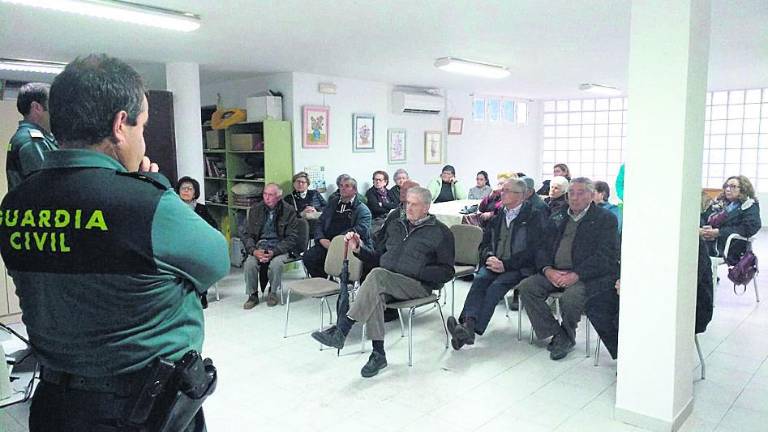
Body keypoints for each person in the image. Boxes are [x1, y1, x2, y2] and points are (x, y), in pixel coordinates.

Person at [0, 54, 229, 432]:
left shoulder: (14, 205)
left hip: (55, 404)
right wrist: (157, 190)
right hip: (140, 408)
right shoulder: (148, 205)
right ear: (120, 125)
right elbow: (216, 261)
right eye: (143, 127)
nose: (143, 140)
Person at [311, 187, 455, 377]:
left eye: (414, 204)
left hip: (418, 286)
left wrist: (417, 270)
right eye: (407, 203)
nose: (408, 208)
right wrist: (359, 249)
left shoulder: (440, 233)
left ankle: (343, 328)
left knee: (377, 277)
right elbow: (378, 257)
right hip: (387, 281)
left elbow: (447, 272)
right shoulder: (396, 225)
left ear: (427, 207)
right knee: (375, 291)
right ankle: (378, 354)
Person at [517, 178, 618, 361]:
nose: (575, 197)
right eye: (571, 193)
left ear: (591, 195)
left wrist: (576, 274)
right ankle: (559, 334)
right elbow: (541, 247)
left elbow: (605, 256)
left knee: (571, 298)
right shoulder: (558, 215)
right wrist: (548, 269)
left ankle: (567, 336)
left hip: (585, 276)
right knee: (527, 287)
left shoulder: (605, 219)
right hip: (554, 272)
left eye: (580, 193)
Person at [447, 179, 544, 350]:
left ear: (520, 195)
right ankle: (467, 326)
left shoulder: (534, 216)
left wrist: (506, 265)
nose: (502, 193)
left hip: (520, 267)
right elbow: (484, 244)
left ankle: (469, 330)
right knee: (480, 279)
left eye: (507, 190)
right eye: (503, 190)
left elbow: (535, 250)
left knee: (495, 287)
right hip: (495, 263)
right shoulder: (498, 215)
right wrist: (489, 256)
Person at [243, 183, 300, 308]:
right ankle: (252, 295)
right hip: (260, 245)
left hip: (279, 246)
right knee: (249, 264)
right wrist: (253, 251)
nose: (267, 198)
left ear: (279, 197)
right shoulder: (255, 209)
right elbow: (248, 235)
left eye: (270, 195)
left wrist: (274, 252)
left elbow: (291, 238)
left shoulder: (289, 211)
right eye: (265, 194)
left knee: (276, 264)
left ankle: (273, 292)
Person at [303, 176, 372, 278]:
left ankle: (344, 284)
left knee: (348, 266)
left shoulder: (362, 210)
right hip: (327, 243)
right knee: (309, 257)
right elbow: (320, 223)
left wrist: (336, 243)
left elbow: (360, 230)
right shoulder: (332, 203)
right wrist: (321, 239)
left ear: (355, 190)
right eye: (341, 186)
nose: (343, 188)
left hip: (348, 245)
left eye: (347, 186)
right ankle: (324, 283)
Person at [6, 82, 59, 191]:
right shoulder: (31, 141)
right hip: (36, 207)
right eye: (53, 105)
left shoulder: (32, 137)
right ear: (37, 107)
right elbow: (46, 187)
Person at [700, 175, 761, 260]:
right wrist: (704, 229)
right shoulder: (719, 203)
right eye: (726, 186)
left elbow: (750, 227)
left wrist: (719, 232)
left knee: (699, 252)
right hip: (709, 240)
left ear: (743, 189)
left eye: (733, 186)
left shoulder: (749, 206)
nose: (728, 189)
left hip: (731, 245)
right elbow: (704, 217)